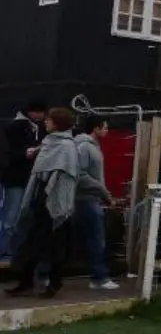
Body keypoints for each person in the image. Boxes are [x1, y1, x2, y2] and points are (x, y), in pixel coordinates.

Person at [5, 107, 77, 299]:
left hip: (54, 201)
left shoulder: (66, 146)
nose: (46, 122)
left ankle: (53, 282)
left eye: (50, 120)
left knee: (53, 245)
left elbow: (66, 175)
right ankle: (26, 282)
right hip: (40, 199)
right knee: (32, 243)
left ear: (58, 123)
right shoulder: (48, 143)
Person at [73, 116, 118, 290]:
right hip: (86, 198)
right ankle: (100, 277)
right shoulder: (85, 147)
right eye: (105, 128)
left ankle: (98, 276)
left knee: (91, 238)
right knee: (96, 238)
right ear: (96, 129)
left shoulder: (92, 146)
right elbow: (81, 174)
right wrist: (102, 190)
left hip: (91, 197)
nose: (107, 131)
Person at [1, 100, 46, 262]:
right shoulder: (16, 127)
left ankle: (11, 253)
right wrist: (25, 153)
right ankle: (6, 253)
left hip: (27, 178)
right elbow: (7, 154)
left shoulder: (37, 128)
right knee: (12, 219)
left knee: (17, 218)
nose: (41, 116)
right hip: (18, 179)